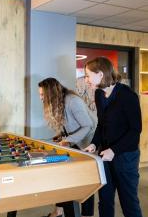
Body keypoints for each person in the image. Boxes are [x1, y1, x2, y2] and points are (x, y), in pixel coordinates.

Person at [84, 57, 143, 217]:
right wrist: (94, 144)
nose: (86, 79)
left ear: (100, 74)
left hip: (126, 157)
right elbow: (101, 125)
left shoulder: (128, 96)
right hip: (105, 155)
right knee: (105, 200)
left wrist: (114, 150)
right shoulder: (98, 94)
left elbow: (135, 130)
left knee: (128, 203)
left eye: (88, 75)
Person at [38, 77, 96, 217]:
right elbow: (68, 124)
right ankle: (59, 210)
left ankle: (86, 214)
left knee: (85, 182)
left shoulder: (72, 101)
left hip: (88, 143)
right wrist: (61, 135)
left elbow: (87, 126)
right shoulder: (59, 101)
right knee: (63, 177)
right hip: (75, 141)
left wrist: (68, 140)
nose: (40, 98)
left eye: (42, 95)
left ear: (51, 93)